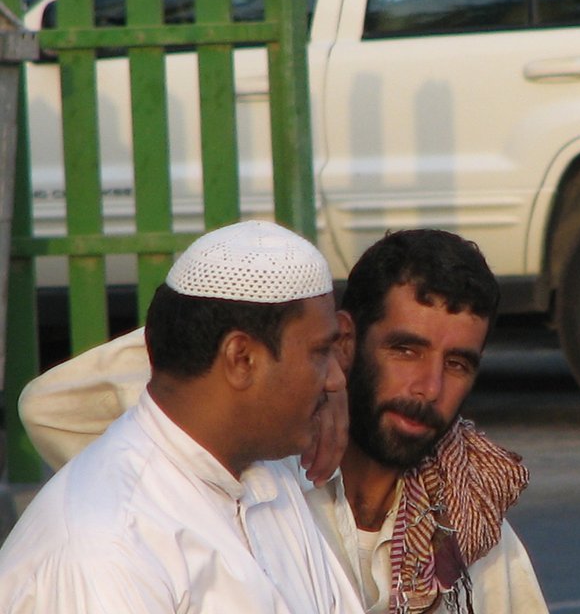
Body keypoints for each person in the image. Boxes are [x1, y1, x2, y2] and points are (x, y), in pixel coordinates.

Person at [17, 228, 549, 613]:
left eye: (457, 364)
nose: (430, 388)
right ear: (348, 338)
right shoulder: (272, 475)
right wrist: (311, 368)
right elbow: (51, 405)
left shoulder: (467, 522)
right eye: (405, 350)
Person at [0, 221, 365, 613]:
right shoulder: (107, 546)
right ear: (241, 358)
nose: (335, 380)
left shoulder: (270, 473)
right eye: (319, 353)